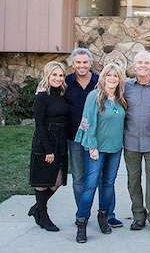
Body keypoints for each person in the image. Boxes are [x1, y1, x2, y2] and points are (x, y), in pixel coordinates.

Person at [74, 63, 127, 243]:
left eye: (116, 76)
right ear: (103, 78)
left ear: (119, 79)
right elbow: (87, 121)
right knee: (90, 185)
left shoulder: (121, 99)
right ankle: (81, 223)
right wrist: (92, 147)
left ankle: (103, 217)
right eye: (109, 75)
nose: (112, 79)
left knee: (108, 185)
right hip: (97, 148)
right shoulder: (94, 96)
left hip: (115, 149)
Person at [123, 50, 150, 232]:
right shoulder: (125, 87)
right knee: (133, 180)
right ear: (134, 65)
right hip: (130, 141)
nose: (142, 66)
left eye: (146, 63)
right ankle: (138, 216)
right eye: (139, 63)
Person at [28, 61, 70, 232]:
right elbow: (40, 125)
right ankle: (43, 216)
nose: (58, 78)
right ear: (47, 75)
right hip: (45, 142)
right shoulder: (42, 96)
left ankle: (38, 207)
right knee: (43, 181)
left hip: (61, 141)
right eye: (54, 75)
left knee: (57, 180)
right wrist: (48, 150)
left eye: (61, 75)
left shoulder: (61, 93)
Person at [64, 48, 98, 211]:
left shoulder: (99, 81)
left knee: (95, 177)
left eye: (85, 62)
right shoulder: (67, 82)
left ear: (90, 63)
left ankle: (105, 212)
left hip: (95, 138)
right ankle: (82, 212)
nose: (82, 65)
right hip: (74, 137)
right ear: (73, 64)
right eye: (78, 62)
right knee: (78, 177)